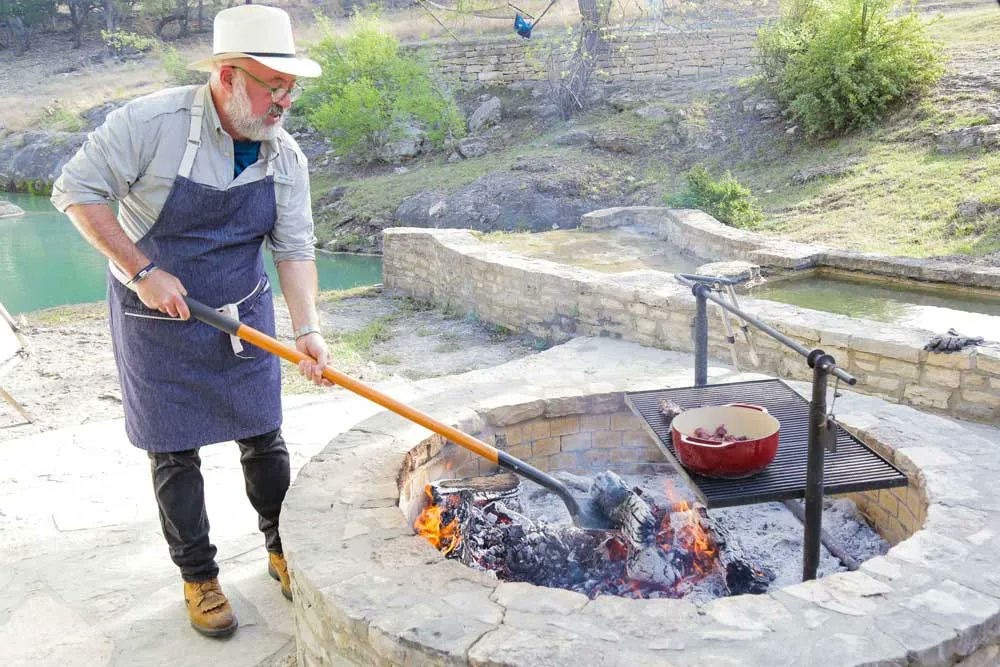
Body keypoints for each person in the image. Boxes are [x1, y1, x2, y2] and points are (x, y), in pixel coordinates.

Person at [51, 4, 329, 638]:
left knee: (264, 437)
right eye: (273, 84)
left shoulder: (284, 157)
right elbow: (75, 190)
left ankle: (282, 549)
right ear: (229, 75)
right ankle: (199, 576)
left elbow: (294, 248)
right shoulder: (151, 124)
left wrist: (308, 328)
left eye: (291, 87)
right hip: (157, 318)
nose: (285, 99)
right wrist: (143, 270)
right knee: (174, 454)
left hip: (243, 313)